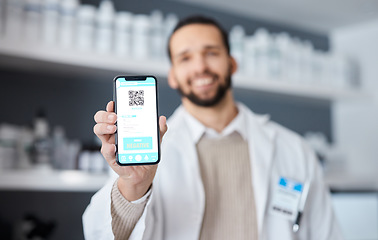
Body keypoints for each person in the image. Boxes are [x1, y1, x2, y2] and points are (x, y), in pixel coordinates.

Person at [83, 15, 343, 240]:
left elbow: (325, 233)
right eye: (185, 58)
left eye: (211, 53)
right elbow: (100, 233)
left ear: (232, 63)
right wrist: (134, 187)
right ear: (173, 75)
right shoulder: (150, 151)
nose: (200, 67)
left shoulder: (293, 150)